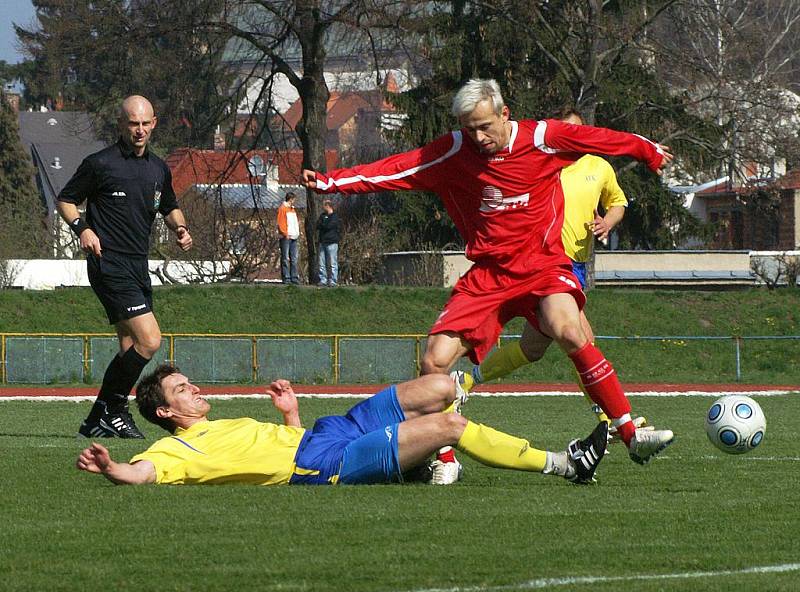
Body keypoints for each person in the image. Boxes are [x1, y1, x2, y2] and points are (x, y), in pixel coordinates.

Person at [302, 79, 675, 482]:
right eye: (469, 128)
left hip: (543, 267)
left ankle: (631, 433)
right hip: (489, 276)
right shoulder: (455, 151)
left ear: (504, 114)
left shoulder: (544, 138)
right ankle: (442, 457)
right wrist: (331, 182)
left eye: (484, 126)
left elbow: (598, 139)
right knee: (435, 360)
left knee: (570, 330)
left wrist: (648, 150)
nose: (478, 137)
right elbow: (398, 168)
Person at [75, 364, 609, 486]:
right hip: (324, 463)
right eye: (181, 390)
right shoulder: (177, 453)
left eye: (189, 382)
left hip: (325, 432)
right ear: (165, 413)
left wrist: (290, 415)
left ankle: (422, 465)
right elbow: (142, 472)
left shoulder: (220, 422)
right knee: (450, 424)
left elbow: (276, 441)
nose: (194, 389)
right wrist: (111, 467)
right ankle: (565, 464)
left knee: (441, 385)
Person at [462, 108, 648, 437]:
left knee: (532, 349)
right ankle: (612, 419)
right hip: (545, 262)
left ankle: (466, 379)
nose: (569, 136)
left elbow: (618, 202)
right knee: (582, 338)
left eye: (575, 131)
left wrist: (608, 221)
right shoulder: (545, 160)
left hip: (576, 263)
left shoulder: (598, 166)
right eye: (565, 130)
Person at [57, 95, 192, 439]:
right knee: (150, 340)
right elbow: (66, 199)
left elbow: (170, 207)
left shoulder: (158, 168)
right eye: (133, 123)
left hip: (137, 265)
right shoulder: (100, 163)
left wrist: (180, 227)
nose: (140, 130)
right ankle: (114, 408)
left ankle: (96, 419)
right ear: (121, 125)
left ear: (155, 124)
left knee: (130, 345)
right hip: (109, 262)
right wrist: (82, 229)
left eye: (146, 123)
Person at [277, 192, 301, 284]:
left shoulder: (292, 209)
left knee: (294, 258)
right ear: (290, 199)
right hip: (286, 237)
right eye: (294, 199)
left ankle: (294, 277)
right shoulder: (283, 209)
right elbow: (280, 222)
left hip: (294, 236)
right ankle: (286, 277)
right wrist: (285, 233)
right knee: (285, 258)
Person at [316, 198, 340, 286]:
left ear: (328, 206)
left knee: (332, 262)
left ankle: (333, 280)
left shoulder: (334, 216)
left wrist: (324, 224)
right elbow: (318, 225)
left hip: (332, 242)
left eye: (324, 205)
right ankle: (323, 279)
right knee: (322, 262)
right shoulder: (322, 216)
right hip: (323, 242)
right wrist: (323, 224)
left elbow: (329, 226)